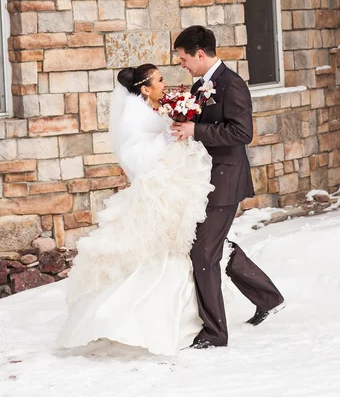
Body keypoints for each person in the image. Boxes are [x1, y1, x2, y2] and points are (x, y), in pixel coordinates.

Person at [56, 64, 216, 356]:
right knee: (157, 250)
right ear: (144, 88)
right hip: (156, 190)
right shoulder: (132, 114)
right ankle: (134, 321)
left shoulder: (154, 106)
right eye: (160, 80)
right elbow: (134, 159)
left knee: (179, 248)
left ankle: (189, 314)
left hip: (172, 183)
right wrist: (166, 138)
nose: (165, 84)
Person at [172, 25, 285, 349]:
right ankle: (269, 297)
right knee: (213, 246)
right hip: (202, 180)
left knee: (203, 253)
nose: (182, 65)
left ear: (200, 54)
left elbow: (241, 132)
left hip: (224, 180)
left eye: (183, 58)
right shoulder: (200, 84)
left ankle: (214, 333)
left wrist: (196, 130)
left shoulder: (232, 84)